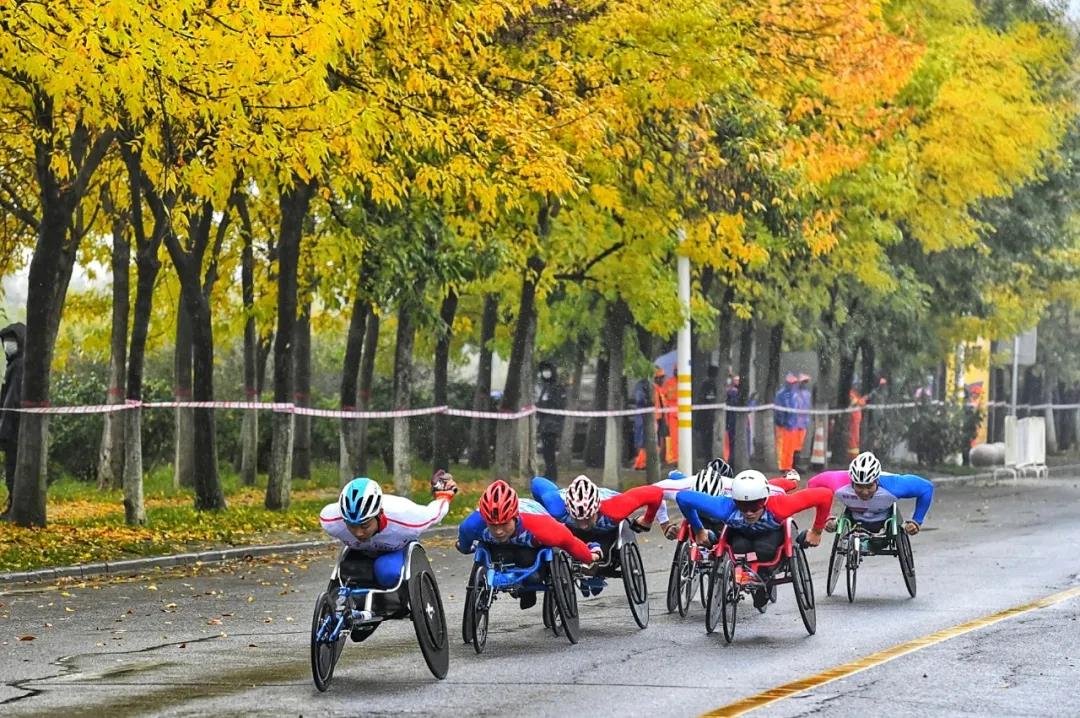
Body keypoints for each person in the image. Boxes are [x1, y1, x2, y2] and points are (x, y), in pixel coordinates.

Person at [676, 469, 832, 612]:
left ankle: (763, 581)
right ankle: (748, 577)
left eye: (755, 505)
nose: (749, 512)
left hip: (771, 534)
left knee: (765, 551)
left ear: (764, 500)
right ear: (734, 501)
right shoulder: (724, 507)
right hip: (740, 534)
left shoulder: (780, 506)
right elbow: (682, 497)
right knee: (738, 548)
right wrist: (698, 530)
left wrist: (817, 531)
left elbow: (825, 495)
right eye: (742, 506)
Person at [457, 480, 601, 609]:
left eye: (504, 524)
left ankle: (528, 588)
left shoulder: (541, 526)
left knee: (530, 566)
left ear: (515, 517)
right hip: (499, 550)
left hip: (531, 550)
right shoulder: (471, 526)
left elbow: (569, 542)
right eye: (493, 525)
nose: (499, 531)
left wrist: (589, 556)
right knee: (497, 553)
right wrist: (465, 548)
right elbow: (464, 544)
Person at [319, 470, 459, 589]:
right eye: (352, 526)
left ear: (379, 514)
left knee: (386, 571)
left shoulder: (406, 518)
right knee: (348, 574)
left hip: (395, 552)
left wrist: (443, 495)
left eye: (365, 525)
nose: (358, 533)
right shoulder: (331, 521)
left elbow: (434, 513)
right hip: (360, 554)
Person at [808, 451, 933, 547]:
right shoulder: (839, 481)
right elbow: (813, 484)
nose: (864, 492)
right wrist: (826, 517)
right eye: (859, 486)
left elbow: (927, 488)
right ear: (852, 481)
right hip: (854, 517)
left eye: (869, 486)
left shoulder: (894, 485)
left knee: (880, 542)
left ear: (877, 481)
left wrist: (917, 521)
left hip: (884, 520)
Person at [0, 322, 25, 519]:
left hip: (14, 429)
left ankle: (14, 507)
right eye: (5, 341)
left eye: (11, 340)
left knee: (13, 469)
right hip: (15, 428)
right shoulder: (16, 365)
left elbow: (11, 401)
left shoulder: (18, 367)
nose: (8, 345)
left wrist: (4, 430)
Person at [536, 361, 566, 482]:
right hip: (544, 425)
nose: (545, 372)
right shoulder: (544, 387)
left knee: (550, 452)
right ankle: (549, 473)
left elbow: (558, 405)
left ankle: (552, 475)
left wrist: (543, 406)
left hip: (552, 425)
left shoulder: (557, 387)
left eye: (547, 369)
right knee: (546, 452)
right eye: (544, 370)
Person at [631, 368, 665, 470]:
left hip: (656, 417)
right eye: (661, 378)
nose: (662, 380)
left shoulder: (656, 388)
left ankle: (648, 462)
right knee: (645, 442)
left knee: (654, 442)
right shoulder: (645, 387)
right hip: (648, 418)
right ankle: (641, 463)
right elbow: (641, 400)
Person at [695, 365, 720, 462]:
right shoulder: (710, 384)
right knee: (707, 440)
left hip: (706, 417)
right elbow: (706, 399)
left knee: (707, 440)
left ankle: (708, 458)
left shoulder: (705, 384)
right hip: (707, 417)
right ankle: (708, 459)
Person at [774, 374, 798, 471]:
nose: (792, 385)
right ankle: (781, 466)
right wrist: (782, 422)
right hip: (783, 426)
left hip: (791, 426)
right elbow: (779, 410)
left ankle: (788, 465)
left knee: (790, 447)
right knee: (781, 446)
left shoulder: (793, 394)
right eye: (791, 383)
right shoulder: (781, 394)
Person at [791, 374, 813, 470]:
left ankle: (797, 465)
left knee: (800, 445)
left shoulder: (807, 394)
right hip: (794, 423)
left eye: (806, 382)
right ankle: (793, 465)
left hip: (803, 423)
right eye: (803, 382)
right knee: (793, 445)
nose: (804, 384)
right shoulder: (794, 394)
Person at [662, 368, 679, 464]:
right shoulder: (669, 382)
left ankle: (680, 455)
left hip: (683, 414)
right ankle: (675, 457)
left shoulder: (685, 381)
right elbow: (664, 395)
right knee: (674, 437)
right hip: (672, 414)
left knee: (682, 437)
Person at [724, 375, 740, 461]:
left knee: (731, 442)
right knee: (731, 442)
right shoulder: (733, 393)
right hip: (731, 420)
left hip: (731, 421)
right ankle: (731, 459)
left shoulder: (731, 393)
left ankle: (731, 459)